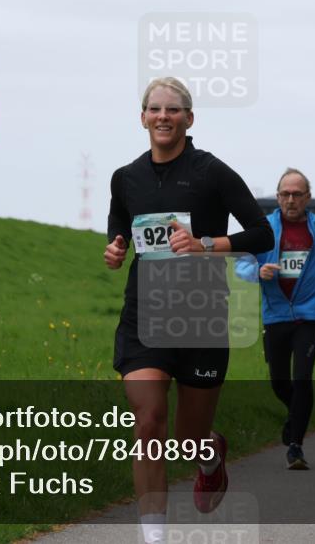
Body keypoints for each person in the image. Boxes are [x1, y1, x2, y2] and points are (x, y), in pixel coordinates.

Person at [104, 77, 273, 544]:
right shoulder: (126, 177)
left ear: (189, 119)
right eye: (154, 109)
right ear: (142, 118)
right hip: (145, 313)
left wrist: (207, 245)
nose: (163, 116)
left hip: (200, 313)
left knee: (187, 438)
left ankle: (209, 456)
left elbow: (262, 233)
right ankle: (154, 537)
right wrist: (115, 248)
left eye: (173, 110)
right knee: (148, 421)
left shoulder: (211, 172)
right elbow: (121, 223)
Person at [235, 168, 315, 469]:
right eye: (285, 194)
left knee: (302, 377)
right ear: (277, 197)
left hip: (308, 315)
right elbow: (242, 265)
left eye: (297, 194)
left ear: (307, 198)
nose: (290, 200)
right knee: (279, 382)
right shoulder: (264, 228)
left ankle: (296, 447)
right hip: (275, 315)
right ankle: (296, 416)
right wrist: (257, 272)